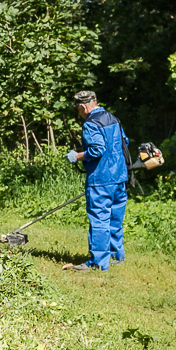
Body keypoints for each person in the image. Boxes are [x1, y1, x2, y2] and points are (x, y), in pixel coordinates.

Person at [64, 89, 129, 271]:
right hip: (119, 177)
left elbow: (97, 150)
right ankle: (116, 257)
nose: (79, 113)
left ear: (83, 106)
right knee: (115, 220)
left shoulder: (91, 124)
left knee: (100, 221)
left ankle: (98, 263)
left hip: (101, 180)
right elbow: (125, 142)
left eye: (78, 109)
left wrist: (77, 156)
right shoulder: (113, 119)